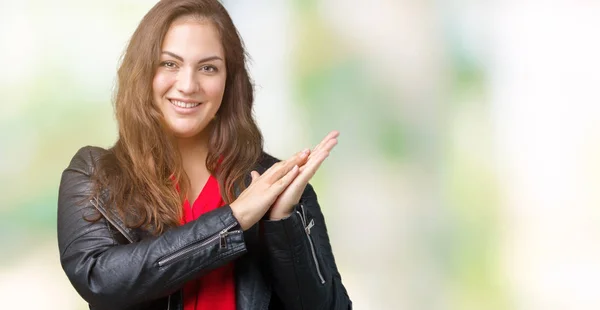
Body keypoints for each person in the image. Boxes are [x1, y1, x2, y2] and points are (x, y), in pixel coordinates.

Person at [56, 0, 351, 309]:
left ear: (229, 80)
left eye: (208, 68)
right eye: (169, 63)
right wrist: (235, 220)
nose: (188, 85)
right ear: (142, 70)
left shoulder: (275, 183)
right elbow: (99, 278)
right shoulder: (96, 172)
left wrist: (282, 223)